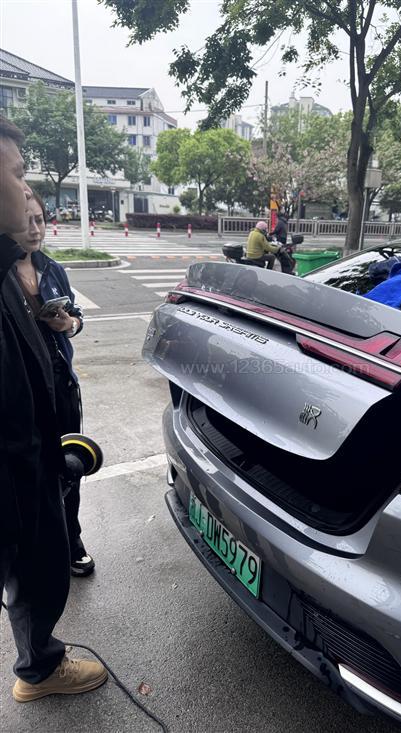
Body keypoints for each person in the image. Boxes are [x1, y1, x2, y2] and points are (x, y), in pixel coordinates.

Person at [0, 115, 106, 702]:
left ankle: (38, 663)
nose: (26, 194)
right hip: (15, 472)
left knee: (61, 508)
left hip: (49, 424)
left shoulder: (43, 270)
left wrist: (68, 323)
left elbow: (73, 327)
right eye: (17, 175)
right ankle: (38, 667)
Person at [10, 191, 94, 577]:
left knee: (68, 465)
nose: (35, 229)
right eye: (26, 220)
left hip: (60, 385)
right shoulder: (4, 275)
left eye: (40, 220)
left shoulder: (52, 269)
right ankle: (34, 549)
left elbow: (76, 317)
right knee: (27, 476)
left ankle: (71, 539)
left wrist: (68, 324)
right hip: (20, 393)